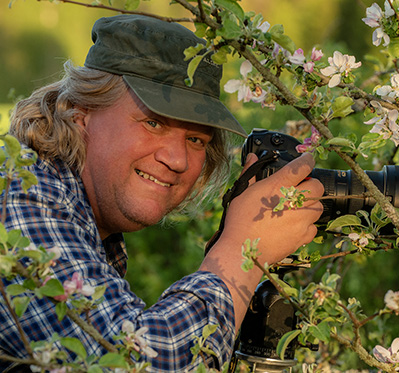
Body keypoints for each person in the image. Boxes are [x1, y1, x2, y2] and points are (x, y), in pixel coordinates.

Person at [0, 14, 324, 372]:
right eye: (153, 122)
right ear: (80, 113)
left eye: (196, 139)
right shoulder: (20, 193)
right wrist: (241, 251)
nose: (177, 159)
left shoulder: (82, 214)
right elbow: (130, 364)